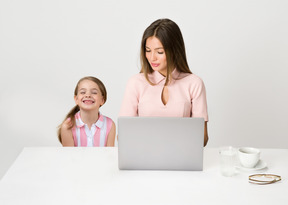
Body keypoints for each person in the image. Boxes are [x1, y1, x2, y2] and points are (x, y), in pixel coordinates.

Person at [119, 18, 209, 146]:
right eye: (148, 50)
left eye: (159, 52)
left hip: (181, 156)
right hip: (144, 155)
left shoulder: (194, 83)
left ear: (174, 50)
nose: (152, 58)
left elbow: (203, 138)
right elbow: (123, 134)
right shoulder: (135, 83)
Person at [58, 76, 116, 147]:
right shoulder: (67, 126)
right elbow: (69, 157)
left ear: (102, 100)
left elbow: (110, 156)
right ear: (76, 99)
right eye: (83, 92)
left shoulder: (110, 125)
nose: (88, 95)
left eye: (94, 92)